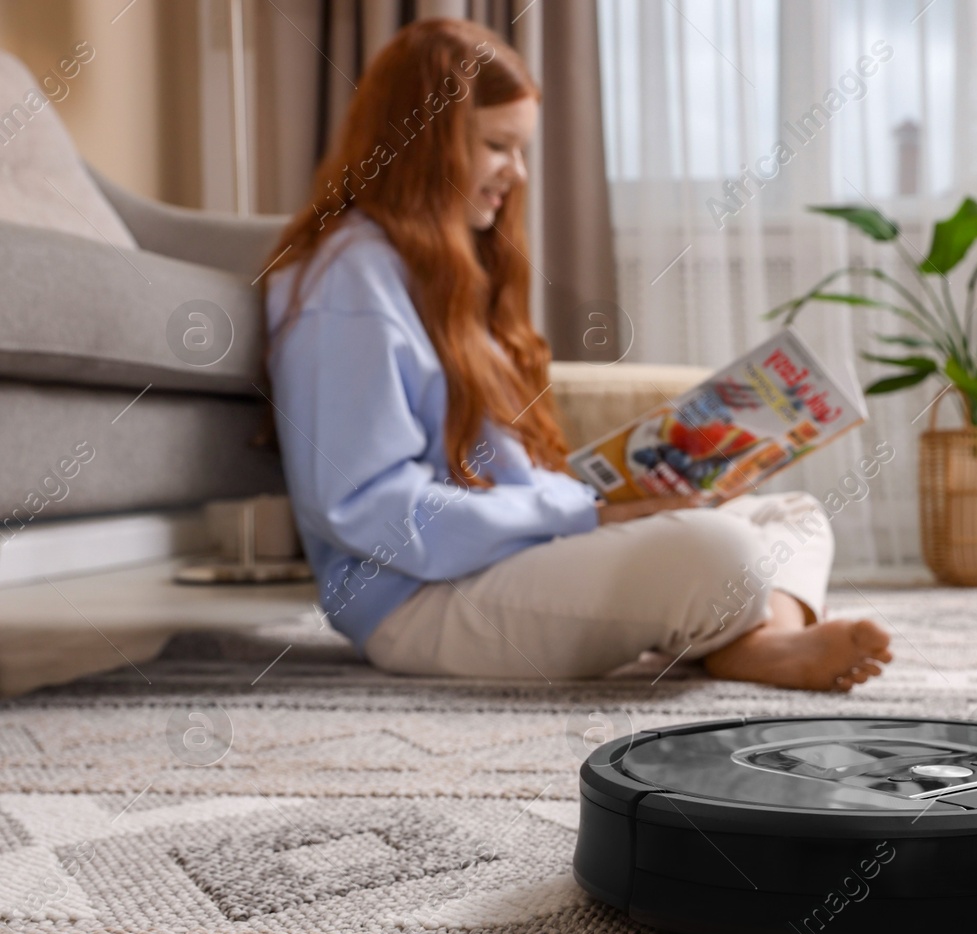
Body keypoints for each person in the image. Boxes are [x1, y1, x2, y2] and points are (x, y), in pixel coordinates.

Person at [262, 19, 891, 691]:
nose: (518, 173)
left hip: (506, 560)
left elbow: (506, 484)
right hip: (418, 601)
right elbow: (367, 508)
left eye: (521, 147)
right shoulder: (347, 282)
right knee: (724, 550)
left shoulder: (437, 272)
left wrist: (616, 493)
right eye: (497, 145)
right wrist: (585, 512)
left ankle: (761, 641)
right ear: (423, 143)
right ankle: (750, 631)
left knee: (786, 513)